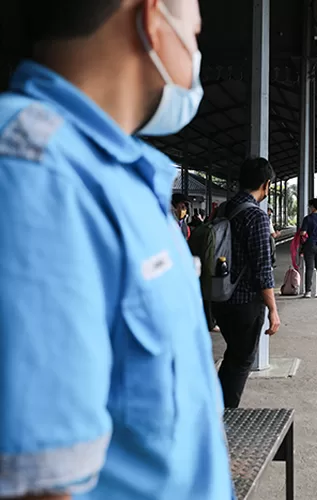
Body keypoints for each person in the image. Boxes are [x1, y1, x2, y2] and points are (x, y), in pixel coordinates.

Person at [0, 1, 234, 499]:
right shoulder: (34, 173)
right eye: (194, 33)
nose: (196, 53)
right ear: (153, 19)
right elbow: (40, 488)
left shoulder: (121, 176)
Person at [212, 157, 281, 408]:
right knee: (241, 361)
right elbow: (263, 269)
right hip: (245, 303)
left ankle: (216, 409)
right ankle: (222, 417)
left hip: (220, 298)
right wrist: (273, 310)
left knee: (233, 356)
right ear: (266, 185)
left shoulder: (224, 210)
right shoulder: (257, 217)